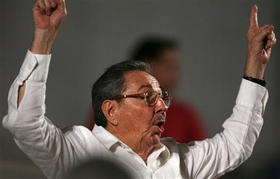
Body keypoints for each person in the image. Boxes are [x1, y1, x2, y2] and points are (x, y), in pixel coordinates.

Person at [2, 0, 276, 178]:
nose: (161, 106)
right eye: (148, 97)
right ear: (111, 109)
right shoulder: (76, 152)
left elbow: (236, 144)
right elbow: (24, 123)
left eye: (161, 97)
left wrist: (255, 65)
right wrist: (44, 37)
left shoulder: (180, 160)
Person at [129, 37, 207, 143]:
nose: (175, 74)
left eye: (176, 67)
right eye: (168, 66)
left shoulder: (184, 116)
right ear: (146, 66)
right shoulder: (115, 111)